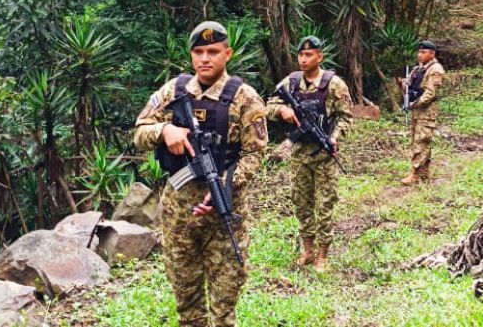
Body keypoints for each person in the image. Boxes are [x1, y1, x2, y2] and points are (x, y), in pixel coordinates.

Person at [132, 21, 268, 327]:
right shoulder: (174, 91)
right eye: (198, 52)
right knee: (187, 301)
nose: (205, 59)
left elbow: (255, 153)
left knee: (224, 306)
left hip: (224, 213)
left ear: (228, 54)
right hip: (179, 215)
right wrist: (165, 130)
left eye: (213, 51)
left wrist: (226, 184)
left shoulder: (245, 99)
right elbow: (140, 131)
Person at [265, 36, 353, 273]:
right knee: (301, 202)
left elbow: (346, 117)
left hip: (323, 155)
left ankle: (323, 254)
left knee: (324, 203)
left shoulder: (334, 84)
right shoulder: (291, 82)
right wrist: (282, 109)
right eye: (301, 55)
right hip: (299, 153)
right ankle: (308, 250)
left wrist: (334, 137)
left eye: (309, 55)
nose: (304, 59)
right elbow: (268, 106)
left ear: (319, 57)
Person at [401, 40, 446, 185]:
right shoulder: (418, 69)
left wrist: (416, 103)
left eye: (423, 52)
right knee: (418, 139)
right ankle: (424, 172)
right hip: (417, 110)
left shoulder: (435, 69)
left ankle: (415, 174)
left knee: (422, 140)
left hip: (426, 111)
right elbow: (411, 85)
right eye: (419, 52)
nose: (419, 55)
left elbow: (430, 93)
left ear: (432, 54)